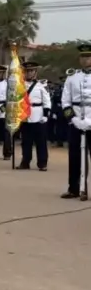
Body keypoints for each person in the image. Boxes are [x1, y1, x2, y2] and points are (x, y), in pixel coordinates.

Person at [60, 44, 91, 200]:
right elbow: (65, 101)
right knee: (75, 157)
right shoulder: (72, 78)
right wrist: (73, 119)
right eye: (83, 57)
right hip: (76, 121)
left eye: (88, 57)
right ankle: (74, 188)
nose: (85, 60)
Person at [19, 62, 50, 171]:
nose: (29, 73)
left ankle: (42, 163)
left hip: (38, 115)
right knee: (26, 142)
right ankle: (25, 162)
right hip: (25, 116)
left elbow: (47, 101)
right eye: (27, 71)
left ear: (35, 72)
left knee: (40, 142)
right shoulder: (20, 85)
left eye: (31, 71)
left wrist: (46, 115)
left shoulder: (41, 85)